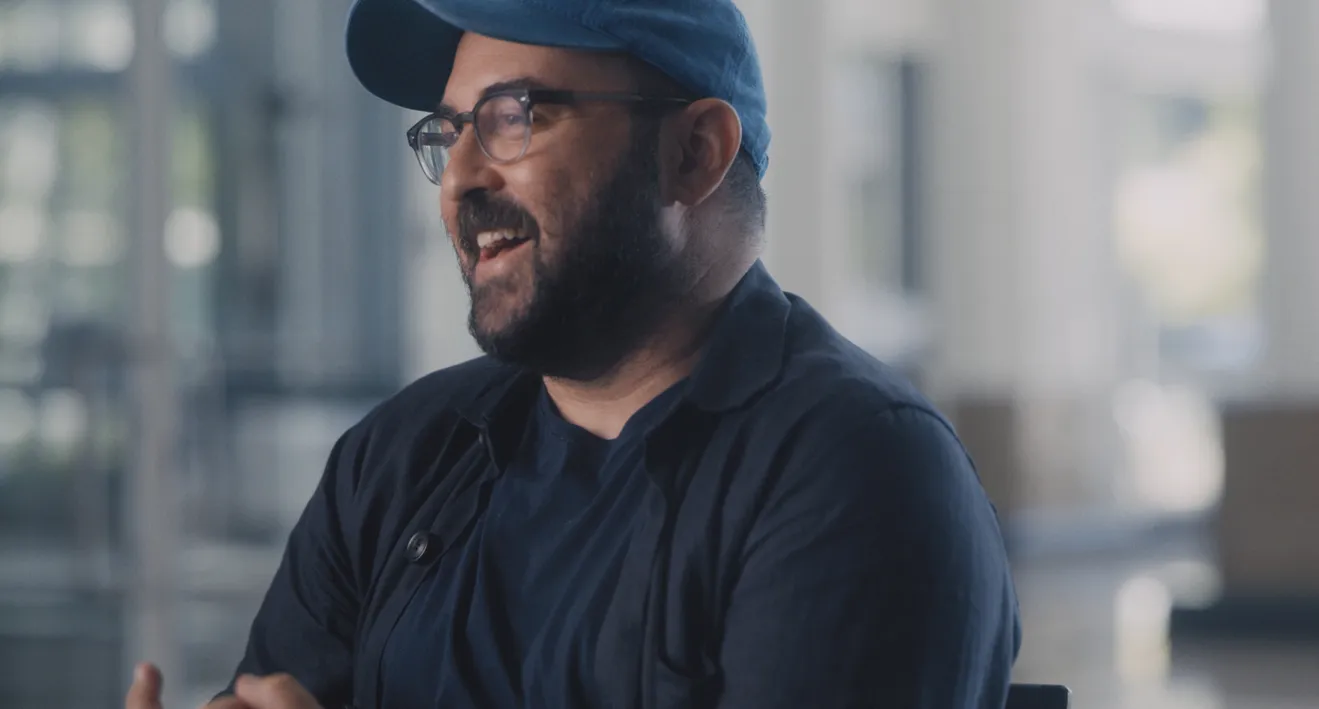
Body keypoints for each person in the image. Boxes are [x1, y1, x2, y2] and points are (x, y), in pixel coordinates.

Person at [126, 0, 1020, 707]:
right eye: (449, 132)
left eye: (514, 116)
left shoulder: (852, 470)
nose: (461, 179)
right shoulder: (398, 459)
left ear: (693, 153)